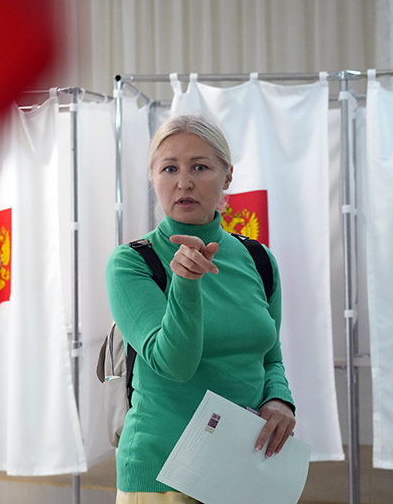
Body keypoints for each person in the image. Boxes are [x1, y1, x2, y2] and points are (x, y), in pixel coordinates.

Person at [105, 114, 296, 503]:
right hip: (163, 476)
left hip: (243, 468)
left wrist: (279, 398)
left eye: (200, 167)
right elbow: (174, 364)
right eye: (169, 168)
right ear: (153, 177)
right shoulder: (132, 263)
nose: (184, 182)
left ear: (227, 176)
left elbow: (270, 356)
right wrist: (186, 284)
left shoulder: (258, 258)